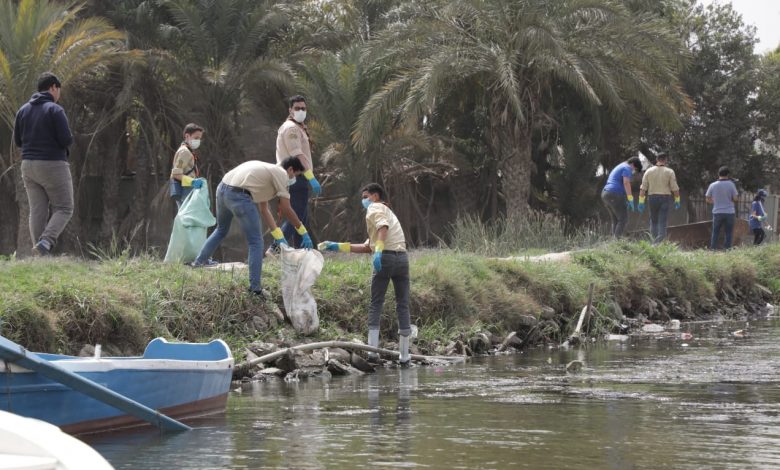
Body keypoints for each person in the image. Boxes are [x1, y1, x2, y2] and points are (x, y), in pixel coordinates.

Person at [191, 158, 314, 297]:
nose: (294, 179)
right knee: (256, 241)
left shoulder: (267, 172)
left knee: (221, 229)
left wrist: (279, 237)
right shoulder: (281, 174)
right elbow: (286, 208)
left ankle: (199, 261)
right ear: (291, 169)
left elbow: (264, 209)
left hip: (222, 190)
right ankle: (255, 289)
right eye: (296, 175)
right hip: (239, 196)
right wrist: (303, 231)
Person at [319, 183, 412, 366]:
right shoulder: (387, 212)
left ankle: (373, 354)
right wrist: (336, 246)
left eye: (365, 196)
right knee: (403, 304)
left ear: (375, 196)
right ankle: (404, 356)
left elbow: (382, 228)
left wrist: (378, 252)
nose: (364, 200)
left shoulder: (375, 208)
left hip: (385, 258)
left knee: (376, 303)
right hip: (402, 259)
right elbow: (366, 246)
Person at [13, 72, 74, 256]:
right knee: (64, 207)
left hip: (28, 166)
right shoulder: (55, 110)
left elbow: (18, 141)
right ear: (53, 87)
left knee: (37, 210)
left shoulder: (23, 110)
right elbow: (66, 140)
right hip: (52, 164)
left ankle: (40, 254)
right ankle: (46, 241)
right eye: (59, 90)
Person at [267, 95, 322, 254]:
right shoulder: (291, 128)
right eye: (297, 108)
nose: (301, 111)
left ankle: (302, 252)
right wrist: (311, 178)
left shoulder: (297, 127)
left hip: (296, 176)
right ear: (290, 110)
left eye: (303, 108)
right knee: (296, 216)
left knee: (302, 216)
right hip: (295, 176)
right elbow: (297, 154)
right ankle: (275, 248)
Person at [637, 153, 681, 244]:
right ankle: (660, 243)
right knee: (662, 221)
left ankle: (653, 243)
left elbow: (643, 188)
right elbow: (675, 188)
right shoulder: (670, 172)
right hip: (665, 198)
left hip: (652, 198)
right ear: (665, 160)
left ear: (657, 159)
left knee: (653, 221)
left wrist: (641, 202)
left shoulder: (648, 171)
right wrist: (677, 199)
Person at [601, 156, 643, 237]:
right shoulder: (627, 168)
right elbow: (626, 183)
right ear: (633, 164)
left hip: (605, 193)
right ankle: (617, 242)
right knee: (623, 219)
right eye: (635, 169)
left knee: (616, 220)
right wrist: (630, 198)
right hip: (614, 193)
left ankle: (614, 243)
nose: (633, 172)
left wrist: (624, 199)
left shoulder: (621, 166)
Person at [169, 123, 205, 210]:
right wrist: (193, 182)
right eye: (196, 138)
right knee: (188, 219)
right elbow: (176, 174)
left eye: (199, 139)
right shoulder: (184, 152)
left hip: (188, 189)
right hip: (186, 189)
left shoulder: (188, 151)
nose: (198, 141)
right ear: (187, 136)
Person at [705, 166, 739, 250]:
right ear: (728, 174)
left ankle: (713, 249)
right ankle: (727, 250)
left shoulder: (712, 185)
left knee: (715, 232)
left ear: (718, 174)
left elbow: (707, 199)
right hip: (729, 212)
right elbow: (735, 199)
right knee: (728, 232)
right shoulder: (731, 184)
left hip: (717, 212)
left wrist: (715, 201)